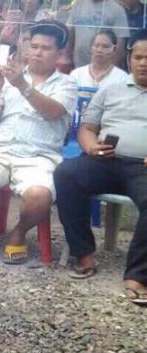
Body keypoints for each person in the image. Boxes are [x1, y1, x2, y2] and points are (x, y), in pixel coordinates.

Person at [0, 22, 78, 262]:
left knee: (40, 196)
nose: (37, 52)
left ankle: (19, 232)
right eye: (33, 46)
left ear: (59, 53)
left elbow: (52, 111)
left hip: (38, 157)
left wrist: (22, 86)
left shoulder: (66, 83)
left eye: (45, 48)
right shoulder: (8, 77)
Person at [54, 29, 147, 305]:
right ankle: (82, 253)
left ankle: (138, 276)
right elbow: (87, 127)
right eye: (139, 57)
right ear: (129, 59)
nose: (144, 63)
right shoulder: (112, 89)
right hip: (105, 159)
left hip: (143, 167)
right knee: (66, 174)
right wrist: (91, 146)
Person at [67, 0, 129, 69]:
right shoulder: (79, 3)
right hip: (78, 65)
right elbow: (71, 30)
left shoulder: (116, 9)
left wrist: (113, 69)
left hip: (104, 66)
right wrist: (66, 56)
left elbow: (120, 43)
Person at [69, 29, 129, 94]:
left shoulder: (122, 77)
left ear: (114, 50)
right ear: (91, 48)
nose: (99, 50)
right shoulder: (76, 74)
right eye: (96, 45)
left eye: (105, 46)